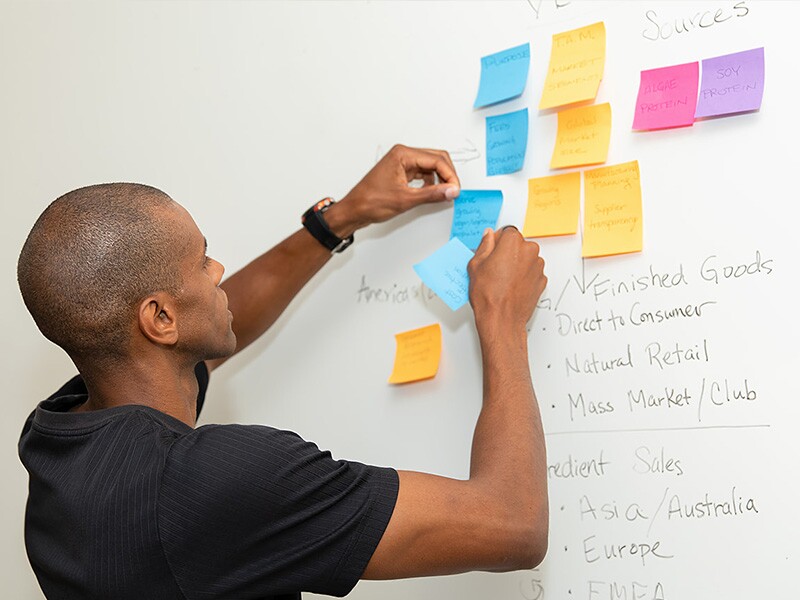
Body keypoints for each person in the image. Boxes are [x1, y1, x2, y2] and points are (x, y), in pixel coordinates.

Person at [17, 145, 549, 599]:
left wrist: (337, 219)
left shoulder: (59, 442)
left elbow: (206, 334)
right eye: (203, 261)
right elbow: (512, 524)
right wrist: (501, 319)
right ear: (159, 318)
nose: (220, 270)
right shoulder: (215, 482)